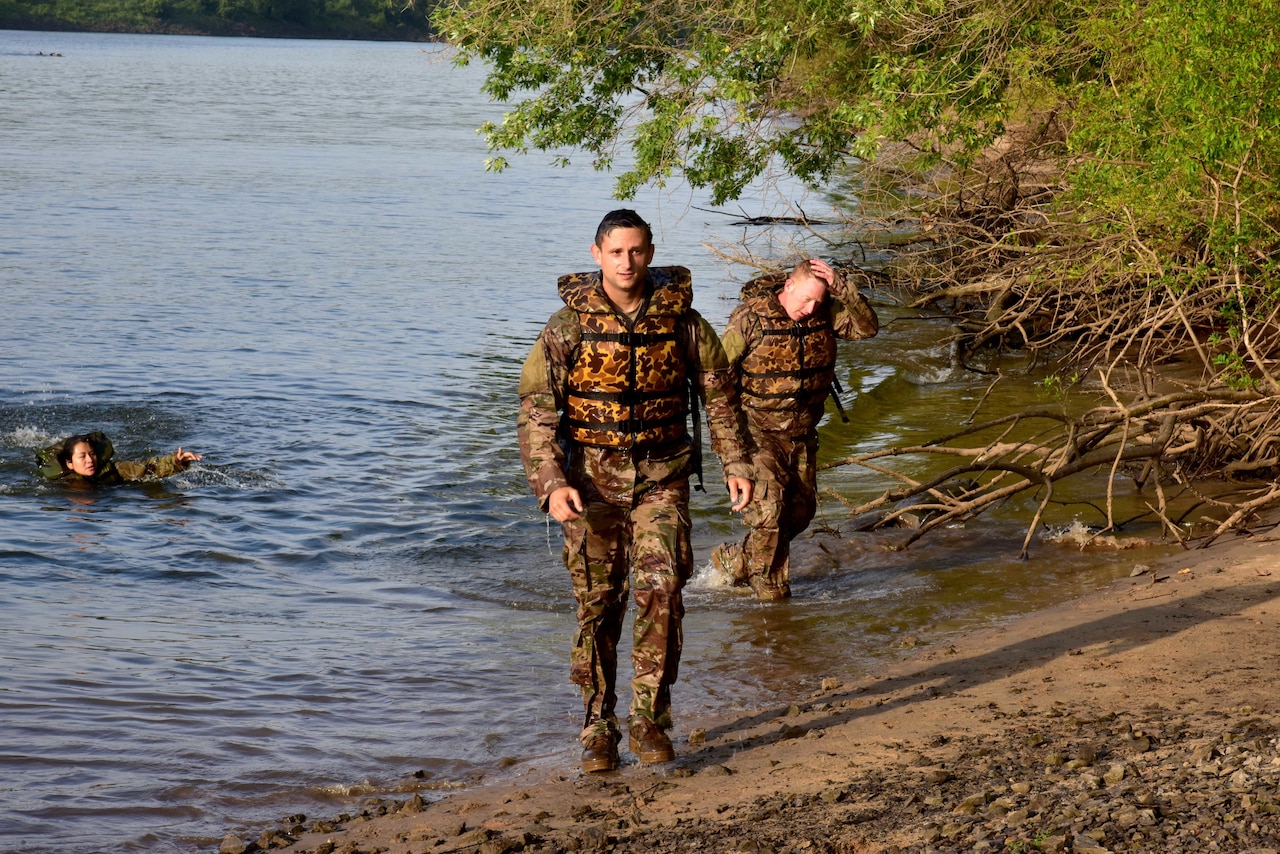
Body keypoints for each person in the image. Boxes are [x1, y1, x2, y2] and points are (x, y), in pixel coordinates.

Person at [517, 209, 755, 773]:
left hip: (662, 480)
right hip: (588, 487)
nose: (627, 263)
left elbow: (720, 397)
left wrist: (737, 464)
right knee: (598, 608)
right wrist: (550, 484)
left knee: (663, 593)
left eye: (638, 251)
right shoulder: (566, 327)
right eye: (616, 252)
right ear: (597, 254)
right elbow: (536, 412)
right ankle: (598, 727)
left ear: (651, 252)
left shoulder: (684, 322)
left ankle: (650, 721)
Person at [711, 258, 879, 601]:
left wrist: (843, 287)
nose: (810, 308)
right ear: (788, 286)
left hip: (801, 433)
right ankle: (773, 601)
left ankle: (737, 561)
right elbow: (714, 376)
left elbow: (867, 328)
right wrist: (730, 447)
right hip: (755, 433)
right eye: (805, 299)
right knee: (770, 512)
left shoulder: (825, 314)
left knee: (800, 512)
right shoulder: (751, 318)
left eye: (818, 301)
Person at [38, 431, 202, 484]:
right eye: (82, 457)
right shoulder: (61, 483)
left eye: (92, 454)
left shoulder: (115, 470)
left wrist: (176, 461)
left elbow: (149, 467)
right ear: (70, 464)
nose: (89, 460)